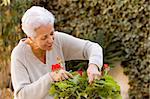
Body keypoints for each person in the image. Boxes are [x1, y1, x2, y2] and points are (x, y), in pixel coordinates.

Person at [11, 6, 103, 99]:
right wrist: (51, 77)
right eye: (44, 37)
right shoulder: (19, 55)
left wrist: (93, 66)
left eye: (51, 33)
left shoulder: (58, 40)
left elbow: (92, 47)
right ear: (31, 38)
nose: (51, 40)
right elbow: (22, 95)